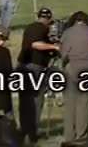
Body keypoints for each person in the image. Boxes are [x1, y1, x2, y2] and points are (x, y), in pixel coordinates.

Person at [17, 8, 60, 145]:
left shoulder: (30, 27)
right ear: (48, 19)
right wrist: (55, 47)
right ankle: (31, 133)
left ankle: (24, 131)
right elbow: (36, 44)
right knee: (36, 100)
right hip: (34, 67)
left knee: (24, 101)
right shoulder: (41, 29)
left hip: (23, 65)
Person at [61, 12, 88, 143]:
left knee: (70, 105)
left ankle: (69, 136)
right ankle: (81, 135)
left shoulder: (67, 32)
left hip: (71, 69)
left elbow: (63, 53)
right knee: (83, 104)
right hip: (87, 70)